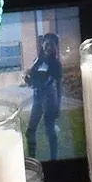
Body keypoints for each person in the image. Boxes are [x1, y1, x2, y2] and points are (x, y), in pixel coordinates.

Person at [25, 26, 66, 159]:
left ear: (55, 47)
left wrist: (59, 105)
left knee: (49, 130)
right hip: (37, 98)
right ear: (42, 45)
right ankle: (33, 159)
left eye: (51, 45)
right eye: (46, 44)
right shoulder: (38, 61)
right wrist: (28, 79)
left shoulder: (56, 64)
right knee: (30, 131)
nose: (48, 47)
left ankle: (54, 159)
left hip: (49, 99)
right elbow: (31, 80)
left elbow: (59, 86)